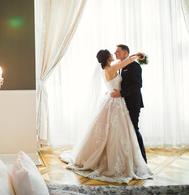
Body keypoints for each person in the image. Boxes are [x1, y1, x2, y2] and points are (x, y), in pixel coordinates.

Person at [59, 49, 152, 184]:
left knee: (111, 131)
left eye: (116, 51)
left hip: (111, 100)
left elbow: (127, 62)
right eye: (111, 53)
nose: (113, 54)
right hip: (115, 101)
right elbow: (128, 61)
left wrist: (135, 56)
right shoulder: (112, 68)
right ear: (107, 58)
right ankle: (114, 161)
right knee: (117, 132)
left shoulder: (106, 69)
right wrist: (137, 56)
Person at [111, 44, 147, 163]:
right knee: (125, 131)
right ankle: (130, 159)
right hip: (121, 104)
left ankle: (142, 159)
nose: (115, 53)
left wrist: (121, 93)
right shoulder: (121, 66)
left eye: (117, 51)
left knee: (134, 130)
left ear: (125, 53)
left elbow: (138, 85)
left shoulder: (134, 66)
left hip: (133, 103)